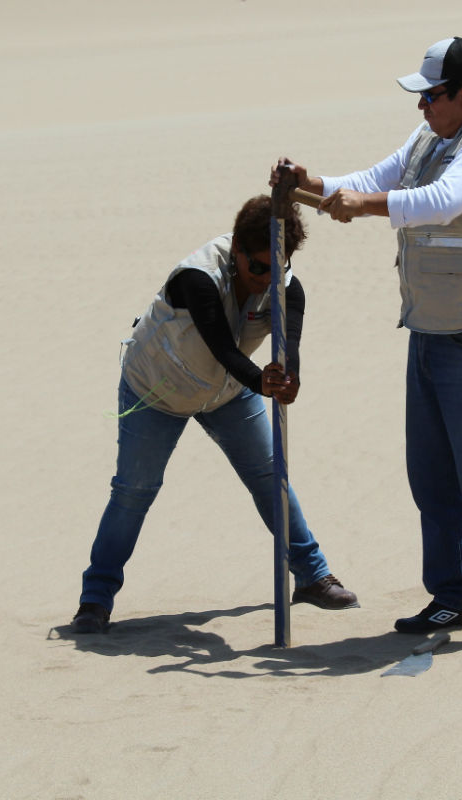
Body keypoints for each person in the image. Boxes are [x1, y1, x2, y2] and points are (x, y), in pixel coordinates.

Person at [271, 37, 462, 644]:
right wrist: (312, 183)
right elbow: (373, 178)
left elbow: (442, 203)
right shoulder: (429, 139)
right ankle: (453, 597)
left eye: (431, 96)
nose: (421, 107)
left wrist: (365, 207)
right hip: (427, 332)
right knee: (431, 477)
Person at [70, 195, 358, 634]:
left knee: (270, 476)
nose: (265, 279)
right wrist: (261, 382)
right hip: (156, 389)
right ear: (236, 251)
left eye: (275, 268)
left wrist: (289, 378)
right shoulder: (197, 279)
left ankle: (313, 576)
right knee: (134, 491)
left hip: (225, 393)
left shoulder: (288, 288)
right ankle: (95, 599)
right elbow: (221, 347)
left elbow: (289, 348)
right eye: (256, 268)